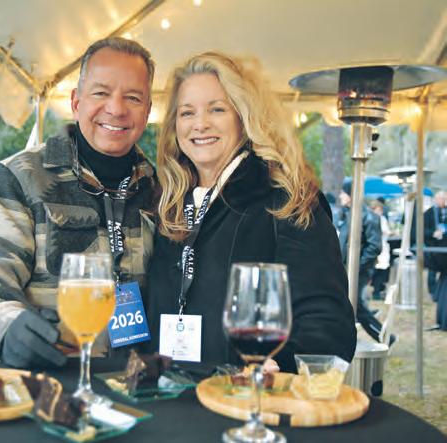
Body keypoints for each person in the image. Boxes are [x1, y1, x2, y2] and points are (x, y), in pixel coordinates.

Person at [0, 37, 157, 368]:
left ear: (147, 111)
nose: (116, 108)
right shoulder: (18, 177)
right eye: (101, 93)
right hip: (48, 381)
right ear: (76, 102)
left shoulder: (162, 189)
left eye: (133, 98)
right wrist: (6, 328)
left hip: (135, 383)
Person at [145, 51, 356, 373]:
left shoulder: (286, 199)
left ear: (243, 116)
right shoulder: (168, 206)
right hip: (169, 393)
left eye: (217, 109)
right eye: (187, 113)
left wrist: (276, 367)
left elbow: (327, 324)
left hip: (243, 396)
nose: (200, 124)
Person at [337, 182, 386, 343]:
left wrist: (356, 266)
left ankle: (385, 337)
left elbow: (374, 246)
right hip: (345, 269)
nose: (340, 196)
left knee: (355, 306)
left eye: (343, 193)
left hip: (359, 270)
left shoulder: (369, 216)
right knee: (350, 305)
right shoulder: (347, 214)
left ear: (350, 195)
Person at [423, 190, 447, 299]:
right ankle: (433, 292)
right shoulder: (428, 213)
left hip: (444, 245)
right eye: (441, 198)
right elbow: (422, 231)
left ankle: (441, 292)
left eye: (444, 199)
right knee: (432, 271)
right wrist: (433, 233)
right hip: (433, 246)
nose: (443, 201)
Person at [370, 199, 391, 300]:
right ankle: (376, 291)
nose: (380, 212)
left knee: (380, 270)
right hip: (377, 247)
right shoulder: (373, 219)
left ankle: (378, 290)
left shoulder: (381, 219)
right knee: (377, 271)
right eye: (378, 210)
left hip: (381, 247)